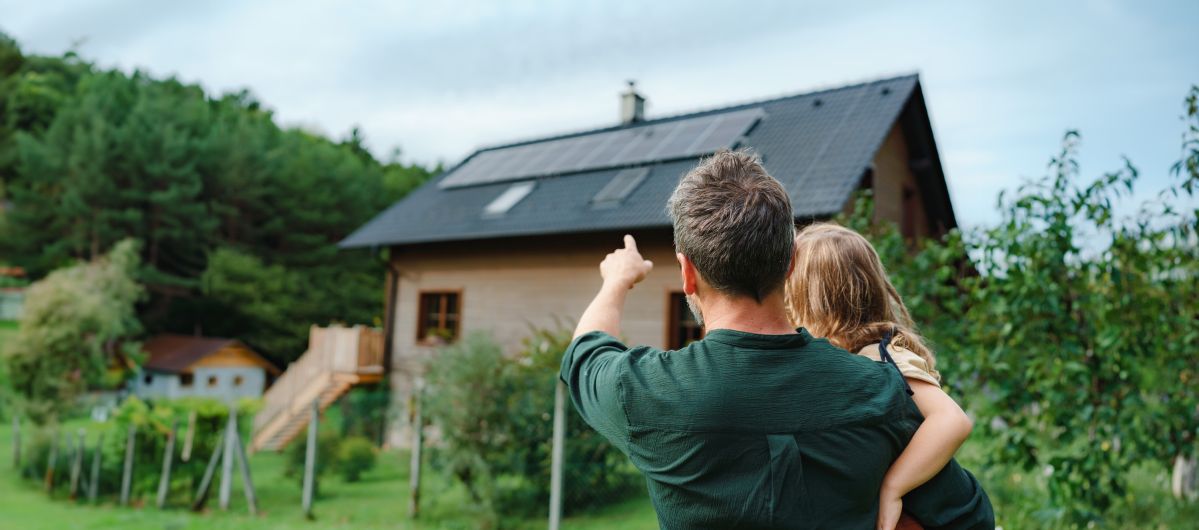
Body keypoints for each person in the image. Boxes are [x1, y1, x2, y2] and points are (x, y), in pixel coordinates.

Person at [560, 149, 993, 529]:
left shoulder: (643, 391)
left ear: (687, 273)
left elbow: (586, 350)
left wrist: (617, 281)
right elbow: (970, 517)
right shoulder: (880, 389)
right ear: (789, 263)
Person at [786, 223, 975, 529]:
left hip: (951, 517)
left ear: (810, 300)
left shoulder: (883, 356)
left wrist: (893, 488)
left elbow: (952, 421)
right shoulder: (846, 358)